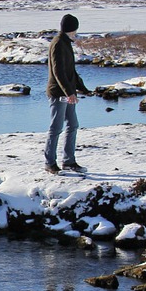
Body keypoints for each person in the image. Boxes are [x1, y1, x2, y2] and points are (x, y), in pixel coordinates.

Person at [44, 13, 92, 174]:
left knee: (73, 125)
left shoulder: (66, 43)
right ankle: (50, 163)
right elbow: (59, 72)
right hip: (59, 93)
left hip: (68, 92)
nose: (75, 33)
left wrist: (82, 88)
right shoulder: (58, 44)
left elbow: (71, 71)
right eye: (74, 30)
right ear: (70, 29)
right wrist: (69, 92)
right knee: (56, 128)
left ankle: (69, 161)